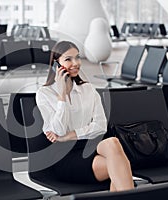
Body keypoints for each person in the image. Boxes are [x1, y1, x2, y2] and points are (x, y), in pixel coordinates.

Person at [36, 41, 134, 192]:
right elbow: (58, 131)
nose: (75, 63)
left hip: (92, 146)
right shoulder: (44, 94)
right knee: (119, 167)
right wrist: (62, 95)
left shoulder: (88, 89)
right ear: (56, 65)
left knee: (112, 143)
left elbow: (100, 126)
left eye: (77, 57)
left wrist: (70, 135)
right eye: (68, 59)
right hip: (65, 156)